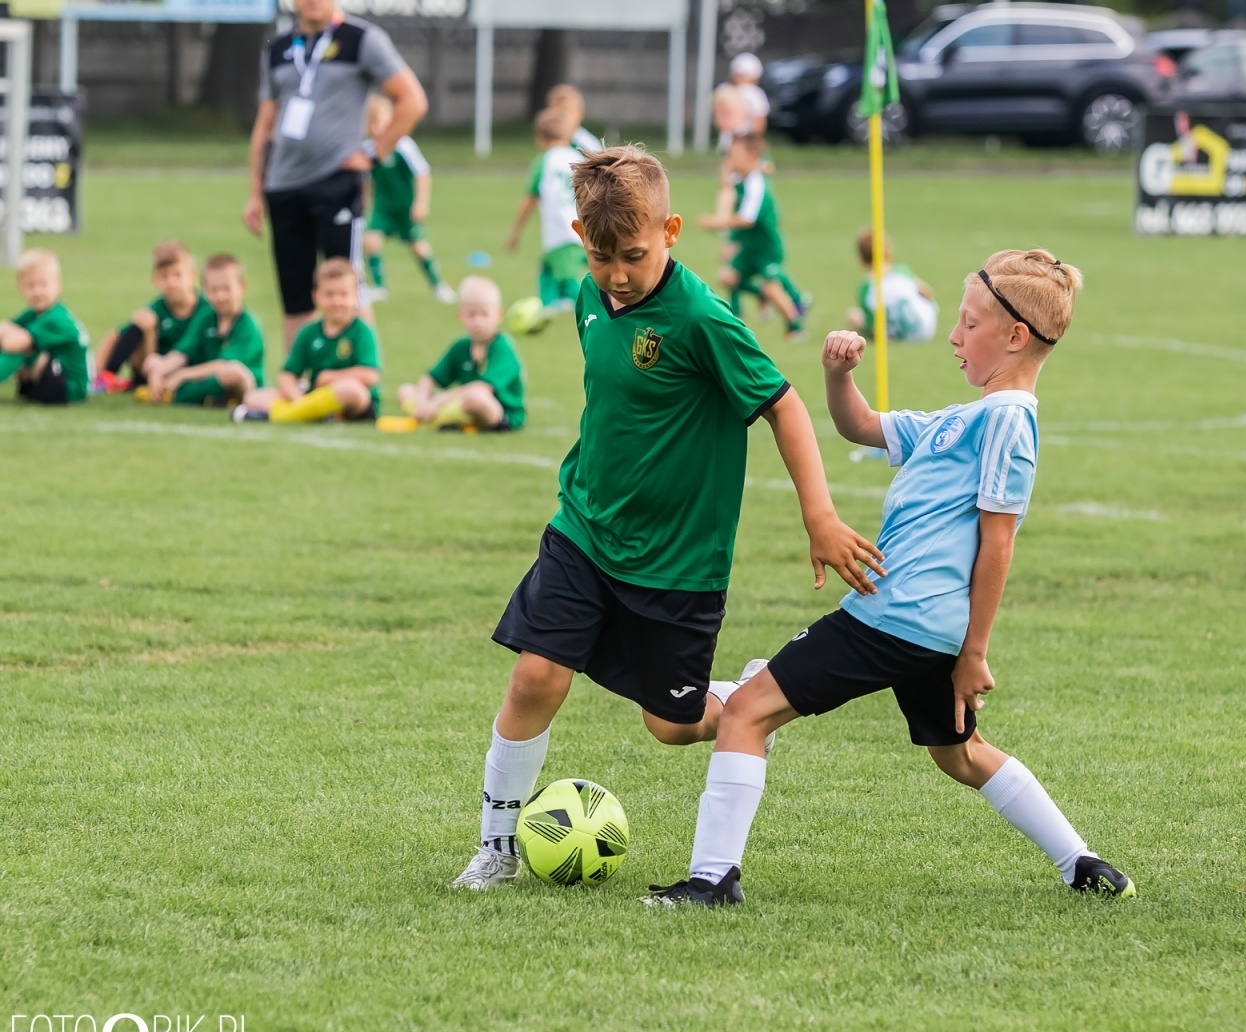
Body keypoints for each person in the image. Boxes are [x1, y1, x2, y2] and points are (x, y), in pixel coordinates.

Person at [451, 145, 885, 890]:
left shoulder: (700, 318)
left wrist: (819, 514)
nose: (617, 273)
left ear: (672, 231)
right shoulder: (589, 299)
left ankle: (752, 693)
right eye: (599, 256)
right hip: (585, 528)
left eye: (634, 255)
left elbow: (783, 405)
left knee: (672, 726)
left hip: (678, 562)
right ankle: (497, 846)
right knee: (535, 675)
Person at [645, 251, 1135, 908]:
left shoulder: (1009, 421)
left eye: (967, 325)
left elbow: (997, 543)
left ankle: (711, 881)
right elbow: (861, 426)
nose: (954, 337)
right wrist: (836, 374)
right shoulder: (960, 420)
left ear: (1015, 336)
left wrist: (974, 655)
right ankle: (1083, 863)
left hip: (892, 619)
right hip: (919, 627)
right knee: (960, 755)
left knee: (744, 714)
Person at [243, 0, 427, 356]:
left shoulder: (362, 39)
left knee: (347, 288)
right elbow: (265, 125)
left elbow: (412, 101)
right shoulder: (279, 47)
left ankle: (363, 375)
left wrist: (374, 152)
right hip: (282, 186)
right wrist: (255, 191)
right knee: (295, 294)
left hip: (335, 182)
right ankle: (298, 382)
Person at [233, 258, 380, 423]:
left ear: (356, 296)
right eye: (329, 294)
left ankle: (279, 415)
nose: (336, 301)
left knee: (350, 389)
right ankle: (309, 412)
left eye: (343, 294)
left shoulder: (362, 331)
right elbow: (287, 375)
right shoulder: (308, 331)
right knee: (252, 397)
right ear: (316, 296)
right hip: (314, 395)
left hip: (355, 402)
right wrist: (298, 399)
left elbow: (370, 375)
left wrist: (330, 377)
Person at [699, 133, 806, 339]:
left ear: (752, 155)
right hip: (747, 247)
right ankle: (762, 298)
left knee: (774, 289)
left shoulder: (756, 183)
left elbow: (746, 219)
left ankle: (795, 327)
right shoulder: (740, 178)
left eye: (736, 154)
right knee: (727, 277)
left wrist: (716, 222)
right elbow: (726, 188)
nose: (731, 158)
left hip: (766, 248)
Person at [393, 276, 524, 432]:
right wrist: (422, 403)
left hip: (498, 412)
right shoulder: (461, 346)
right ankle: (439, 418)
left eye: (484, 314)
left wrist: (438, 401)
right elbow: (429, 378)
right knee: (405, 391)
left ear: (498, 315)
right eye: (471, 315)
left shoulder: (503, 348)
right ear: (460, 315)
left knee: (476, 399)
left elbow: (482, 389)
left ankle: (443, 418)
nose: (478, 321)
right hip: (463, 404)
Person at [142, 254, 266, 408]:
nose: (220, 296)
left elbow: (224, 364)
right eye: (214, 290)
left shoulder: (248, 324)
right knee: (153, 362)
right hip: (206, 378)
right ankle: (191, 395)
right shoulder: (205, 317)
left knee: (231, 373)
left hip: (241, 384)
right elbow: (184, 351)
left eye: (226, 289)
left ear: (241, 287)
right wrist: (159, 371)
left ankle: (183, 395)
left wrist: (182, 375)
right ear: (205, 291)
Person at [362, 94, 453, 305]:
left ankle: (438, 285)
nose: (377, 129)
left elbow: (422, 174)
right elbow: (367, 181)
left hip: (405, 207)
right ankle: (379, 288)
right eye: (372, 123)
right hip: (383, 207)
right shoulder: (368, 149)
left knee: (418, 246)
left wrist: (421, 203)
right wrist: (364, 203)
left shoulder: (404, 145)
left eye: (381, 122)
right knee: (371, 242)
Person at [93, 240, 207, 394]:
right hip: (155, 369)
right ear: (155, 279)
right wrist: (98, 371)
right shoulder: (157, 308)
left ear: (192, 276)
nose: (171, 282)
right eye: (164, 276)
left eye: (177, 275)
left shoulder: (207, 309)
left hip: (194, 368)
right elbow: (114, 337)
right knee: (143, 320)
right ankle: (107, 378)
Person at [505, 108, 587, 314]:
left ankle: (594, 311)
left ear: (540, 138)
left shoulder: (544, 162)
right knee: (546, 269)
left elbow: (530, 200)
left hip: (561, 230)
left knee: (568, 278)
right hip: (581, 224)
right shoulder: (578, 158)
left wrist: (516, 232)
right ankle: (548, 309)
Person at [0, 250, 90, 406]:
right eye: (30, 285)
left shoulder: (57, 318)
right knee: (20, 339)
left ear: (57, 284)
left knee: (22, 346)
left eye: (43, 284)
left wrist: (7, 332)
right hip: (50, 379)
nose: (37, 291)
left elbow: (11, 343)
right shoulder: (34, 313)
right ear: (20, 287)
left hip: (70, 388)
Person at [846, 229, 939, 343]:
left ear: (861, 261)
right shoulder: (902, 271)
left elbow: (877, 330)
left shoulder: (865, 289)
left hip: (899, 334)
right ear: (888, 252)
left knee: (853, 315)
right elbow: (927, 292)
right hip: (926, 329)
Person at [715, 52, 768, 154]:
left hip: (746, 139)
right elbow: (760, 120)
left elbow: (759, 121)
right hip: (735, 138)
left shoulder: (725, 90)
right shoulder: (754, 94)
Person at [547, 84, 602, 154]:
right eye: (554, 113)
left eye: (565, 111)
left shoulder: (588, 146)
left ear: (580, 114)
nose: (559, 118)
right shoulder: (548, 142)